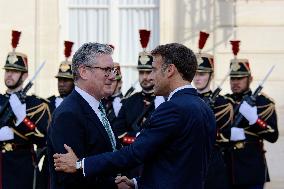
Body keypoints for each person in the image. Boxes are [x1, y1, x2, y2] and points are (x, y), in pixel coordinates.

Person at [53, 43, 216, 189]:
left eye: (154, 69)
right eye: (107, 70)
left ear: (170, 70)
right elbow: (174, 164)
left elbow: (135, 153)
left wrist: (80, 164)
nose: (150, 77)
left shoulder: (173, 108)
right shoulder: (203, 107)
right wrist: (137, 183)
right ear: (83, 72)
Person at [47, 42, 120, 189]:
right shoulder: (69, 115)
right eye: (106, 70)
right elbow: (69, 179)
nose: (112, 77)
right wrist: (114, 185)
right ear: (84, 72)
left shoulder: (96, 107)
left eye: (113, 70)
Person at [0, 30, 51, 189]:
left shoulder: (37, 105)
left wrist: (22, 120)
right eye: (8, 70)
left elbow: (43, 139)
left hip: (21, 166)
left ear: (25, 75)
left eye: (15, 71)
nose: (9, 75)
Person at [225, 40, 279, 189]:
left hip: (251, 168)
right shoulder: (223, 102)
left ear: (250, 79)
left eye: (240, 78)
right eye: (233, 78)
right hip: (226, 168)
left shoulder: (263, 103)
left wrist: (254, 119)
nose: (235, 82)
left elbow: (272, 135)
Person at [114, 29, 164, 145]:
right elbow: (119, 133)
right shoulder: (129, 102)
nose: (145, 77)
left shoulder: (166, 100)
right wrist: (138, 138)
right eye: (141, 72)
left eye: (148, 72)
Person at [48, 41, 75, 112]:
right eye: (59, 80)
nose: (61, 84)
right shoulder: (48, 103)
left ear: (74, 82)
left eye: (65, 80)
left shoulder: (81, 104)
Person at [101, 62, 123, 126]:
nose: (108, 84)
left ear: (119, 83)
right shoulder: (99, 101)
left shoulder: (125, 103)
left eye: (112, 81)